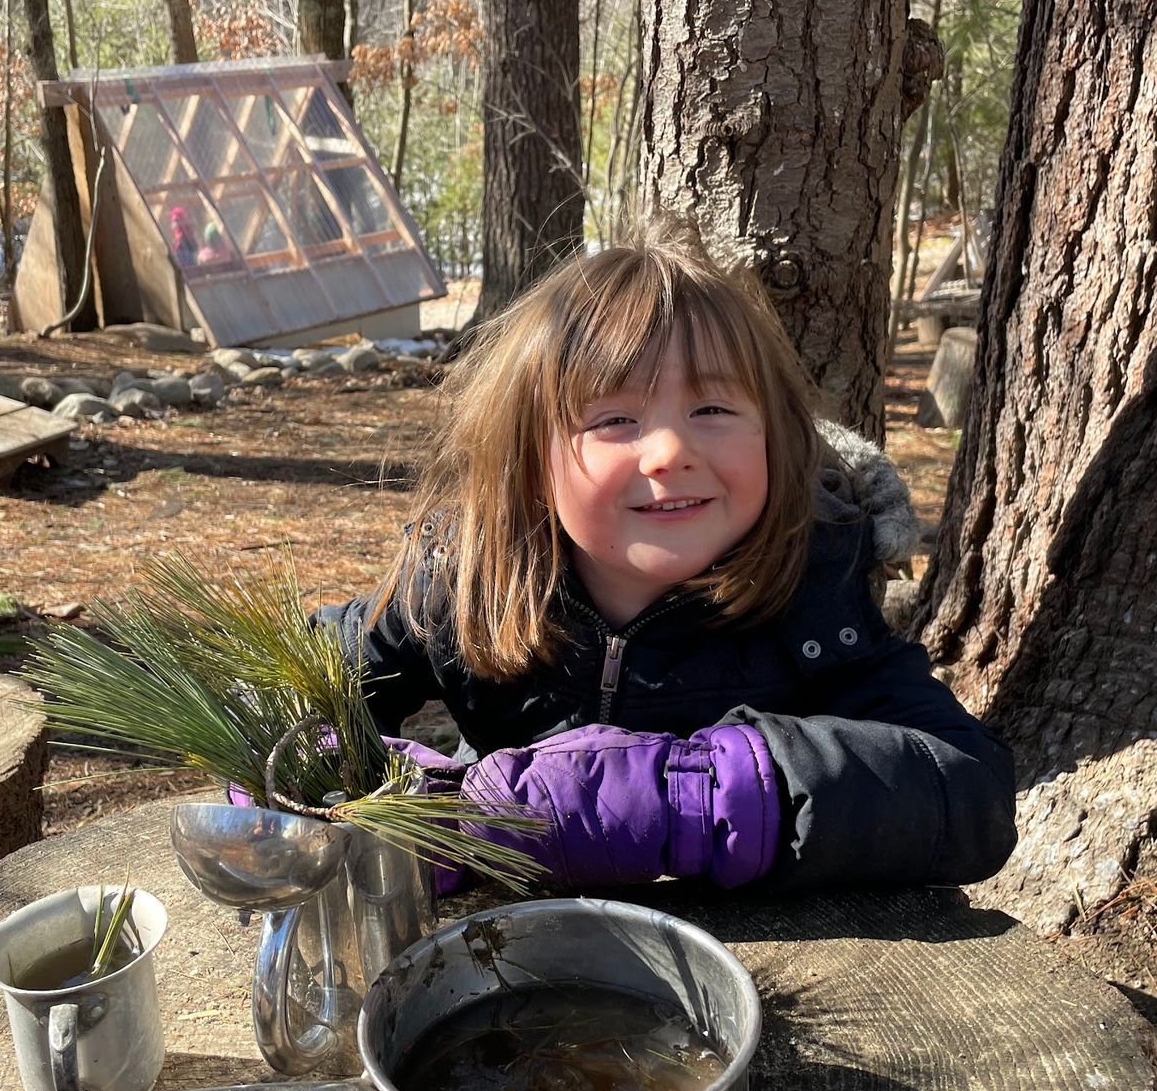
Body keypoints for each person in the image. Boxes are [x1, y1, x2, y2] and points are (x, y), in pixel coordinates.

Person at [318, 220, 1016, 892]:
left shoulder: (814, 598)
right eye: (614, 419)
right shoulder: (463, 583)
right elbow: (288, 684)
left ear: (774, 438)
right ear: (531, 462)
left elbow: (969, 787)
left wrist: (692, 798)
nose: (672, 451)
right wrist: (383, 807)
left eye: (712, 410)